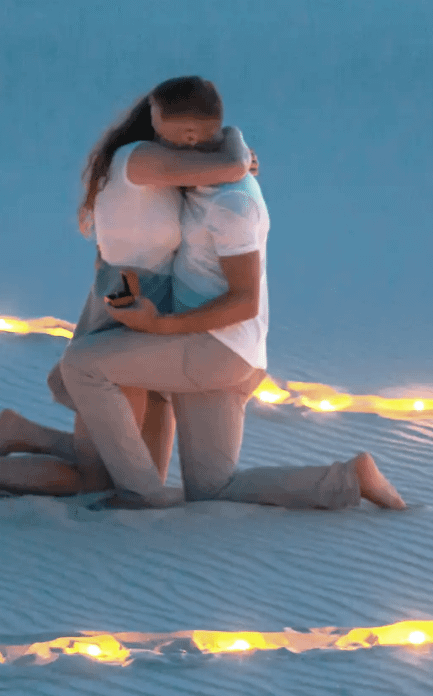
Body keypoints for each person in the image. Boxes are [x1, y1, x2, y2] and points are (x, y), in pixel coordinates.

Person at [0, 76, 252, 495]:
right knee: (99, 481)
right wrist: (234, 139)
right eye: (189, 136)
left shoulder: (160, 163)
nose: (193, 146)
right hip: (133, 298)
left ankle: (21, 433)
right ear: (156, 120)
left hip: (146, 296)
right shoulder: (141, 158)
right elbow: (233, 167)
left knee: (138, 466)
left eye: (202, 139)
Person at [57, 89, 406, 513]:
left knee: (81, 365)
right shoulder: (200, 184)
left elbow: (244, 301)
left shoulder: (233, 203)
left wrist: (158, 326)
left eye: (168, 141)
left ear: (190, 139)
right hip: (215, 352)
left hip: (219, 350)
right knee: (212, 489)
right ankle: (349, 478)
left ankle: (140, 494)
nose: (160, 151)